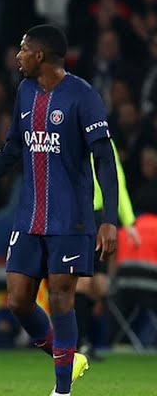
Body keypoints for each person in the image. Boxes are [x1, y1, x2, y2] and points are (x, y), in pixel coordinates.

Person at [0, 25, 119, 396]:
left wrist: (107, 219)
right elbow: (13, 146)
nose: (18, 55)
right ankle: (68, 357)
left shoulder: (83, 95)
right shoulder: (26, 90)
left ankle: (62, 390)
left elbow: (105, 160)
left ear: (40, 55)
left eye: (24, 49)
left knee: (61, 296)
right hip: (30, 216)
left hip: (71, 218)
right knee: (18, 300)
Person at [75, 138, 139, 360]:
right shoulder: (72, 133)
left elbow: (116, 179)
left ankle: (82, 341)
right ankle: (79, 343)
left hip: (97, 216)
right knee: (84, 281)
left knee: (97, 284)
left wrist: (129, 222)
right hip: (79, 215)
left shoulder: (103, 139)